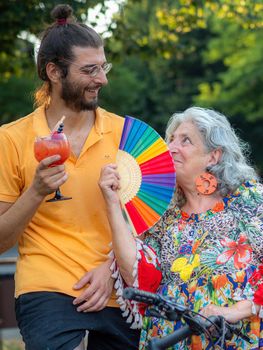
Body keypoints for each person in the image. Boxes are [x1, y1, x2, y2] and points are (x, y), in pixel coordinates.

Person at [0, 4, 140, 350]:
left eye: (103, 67)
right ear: (54, 72)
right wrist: (35, 191)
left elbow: (150, 224)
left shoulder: (128, 136)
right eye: (90, 70)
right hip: (46, 287)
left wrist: (111, 272)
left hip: (116, 288)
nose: (103, 79)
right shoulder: (11, 139)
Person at [99, 106, 263, 349]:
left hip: (239, 339)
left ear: (213, 156)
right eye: (171, 140)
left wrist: (242, 308)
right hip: (172, 339)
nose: (171, 148)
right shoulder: (162, 215)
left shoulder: (248, 199)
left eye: (186, 141)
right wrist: (112, 203)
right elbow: (138, 277)